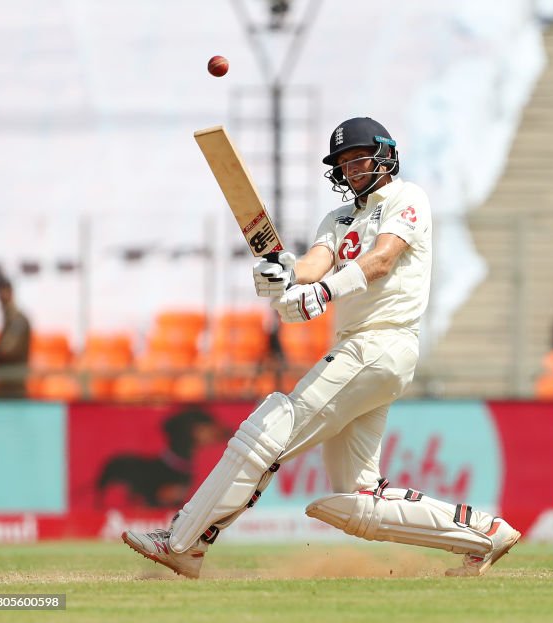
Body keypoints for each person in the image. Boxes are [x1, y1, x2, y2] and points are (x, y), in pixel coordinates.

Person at [122, 117, 520, 578]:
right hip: (364, 352)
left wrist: (325, 292)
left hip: (381, 341)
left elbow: (382, 258)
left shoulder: (407, 199)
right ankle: (485, 534)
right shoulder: (338, 219)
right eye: (344, 163)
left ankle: (184, 542)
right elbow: (317, 262)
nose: (352, 170)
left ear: (384, 154)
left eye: (359, 159)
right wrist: (286, 275)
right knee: (357, 498)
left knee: (269, 432)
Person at [0, 273, 31, 399]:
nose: (0, 296)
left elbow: (7, 350)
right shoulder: (8, 319)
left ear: (10, 292)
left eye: (2, 291)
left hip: (13, 388)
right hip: (4, 386)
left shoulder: (18, 319)